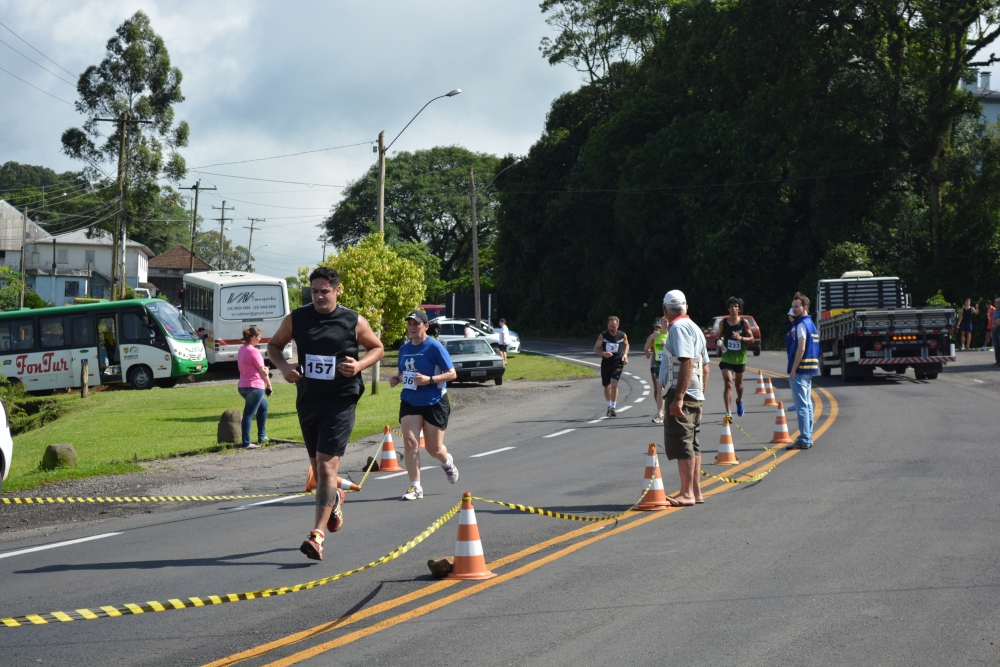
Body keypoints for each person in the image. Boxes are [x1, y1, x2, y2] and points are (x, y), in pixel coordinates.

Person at [267, 266, 384, 561]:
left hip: (341, 399)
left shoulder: (352, 320)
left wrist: (358, 366)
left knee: (327, 469)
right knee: (320, 473)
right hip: (308, 399)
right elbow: (273, 345)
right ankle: (337, 497)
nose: (319, 297)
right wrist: (284, 369)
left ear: (337, 290)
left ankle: (316, 535)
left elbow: (378, 348)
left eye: (325, 291)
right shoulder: (297, 318)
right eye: (315, 291)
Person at [389, 310, 459, 500]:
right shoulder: (404, 349)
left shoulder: (434, 347)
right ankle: (415, 487)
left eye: (416, 324)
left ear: (425, 326)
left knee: (433, 448)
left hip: (434, 400)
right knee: (410, 443)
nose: (412, 327)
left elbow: (452, 374)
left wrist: (429, 379)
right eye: (409, 324)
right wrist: (397, 378)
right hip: (410, 400)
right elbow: (404, 373)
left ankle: (446, 461)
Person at [658, 290, 709, 506]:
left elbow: (687, 362)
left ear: (665, 309)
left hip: (682, 393)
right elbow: (705, 367)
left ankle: (687, 493)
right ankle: (695, 491)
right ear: (686, 307)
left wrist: (678, 398)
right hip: (694, 393)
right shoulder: (695, 328)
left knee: (682, 441)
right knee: (693, 442)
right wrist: (701, 395)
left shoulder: (677, 328)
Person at [785, 292, 820, 450]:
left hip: (800, 369)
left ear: (805, 307)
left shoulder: (801, 325)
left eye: (797, 306)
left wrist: (793, 369)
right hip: (809, 369)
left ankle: (805, 438)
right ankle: (808, 436)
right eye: (793, 306)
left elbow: (801, 347)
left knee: (801, 406)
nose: (794, 309)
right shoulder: (810, 323)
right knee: (807, 404)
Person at [237, 326, 272, 449]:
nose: (260, 340)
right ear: (252, 337)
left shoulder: (241, 349)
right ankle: (246, 442)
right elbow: (263, 371)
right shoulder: (254, 351)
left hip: (243, 386)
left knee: (264, 406)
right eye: (258, 337)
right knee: (248, 415)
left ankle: (262, 436)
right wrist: (269, 385)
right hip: (255, 386)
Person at [718, 297, 753, 420]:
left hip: (740, 359)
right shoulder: (723, 323)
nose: (734, 308)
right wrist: (719, 342)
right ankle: (728, 413)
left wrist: (741, 338)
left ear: (739, 309)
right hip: (727, 358)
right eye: (731, 306)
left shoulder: (744, 323)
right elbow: (720, 336)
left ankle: (739, 400)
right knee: (728, 383)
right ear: (728, 309)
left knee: (739, 386)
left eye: (736, 306)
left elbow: (751, 339)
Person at [594, 316, 629, 417]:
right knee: (606, 387)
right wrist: (603, 353)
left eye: (614, 326)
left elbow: (626, 345)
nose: (611, 328)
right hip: (606, 362)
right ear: (607, 326)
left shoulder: (622, 335)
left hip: (618, 362)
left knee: (614, 384)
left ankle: (613, 407)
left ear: (617, 326)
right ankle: (609, 405)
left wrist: (625, 355)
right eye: (610, 326)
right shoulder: (603, 336)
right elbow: (596, 349)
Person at [643, 318, 669, 424]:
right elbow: (646, 348)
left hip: (670, 364)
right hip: (659, 363)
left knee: (670, 388)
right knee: (659, 387)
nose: (666, 324)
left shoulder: (672, 334)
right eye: (664, 322)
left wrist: (666, 344)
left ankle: (670, 411)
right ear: (661, 324)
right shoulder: (655, 335)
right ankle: (660, 414)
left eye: (668, 322)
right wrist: (651, 339)